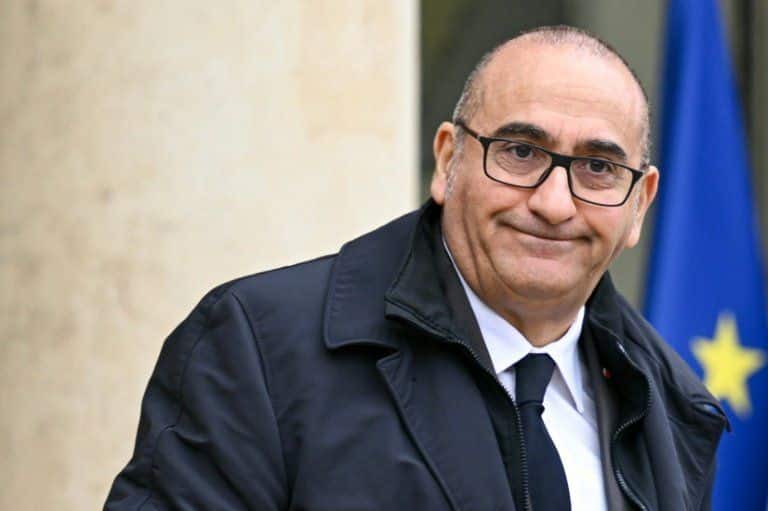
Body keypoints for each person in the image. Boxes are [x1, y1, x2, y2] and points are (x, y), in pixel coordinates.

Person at [105, 25, 728, 511]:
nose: (553, 203)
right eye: (519, 151)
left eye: (598, 168)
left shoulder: (671, 404)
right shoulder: (260, 351)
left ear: (640, 204)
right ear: (448, 161)